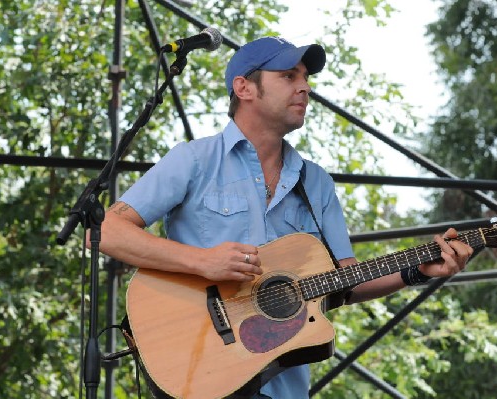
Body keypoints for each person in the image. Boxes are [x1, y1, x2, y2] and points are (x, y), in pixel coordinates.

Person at [97, 37, 473, 399]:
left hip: (284, 386)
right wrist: (203, 261)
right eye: (289, 76)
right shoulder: (194, 160)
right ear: (244, 88)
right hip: (200, 373)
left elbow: (346, 279)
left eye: (306, 78)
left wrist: (416, 271)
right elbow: (107, 232)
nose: (305, 88)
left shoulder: (317, 182)